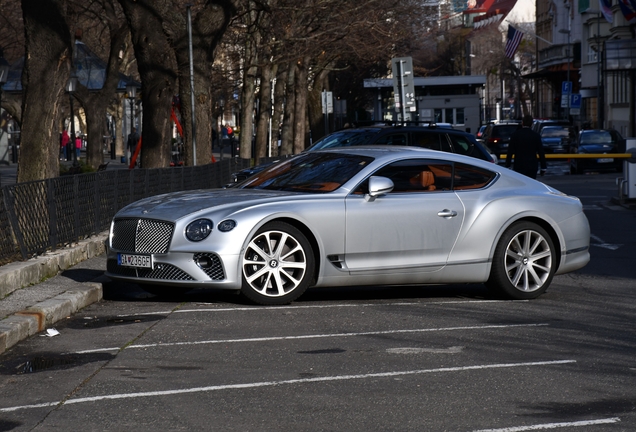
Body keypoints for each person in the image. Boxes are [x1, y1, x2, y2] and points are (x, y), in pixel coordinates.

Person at [506, 114, 547, 179]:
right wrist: (543, 167)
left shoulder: (515, 135)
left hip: (519, 165)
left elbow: (510, 151)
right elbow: (541, 152)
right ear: (531, 124)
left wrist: (508, 165)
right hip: (532, 165)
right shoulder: (535, 136)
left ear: (522, 123)